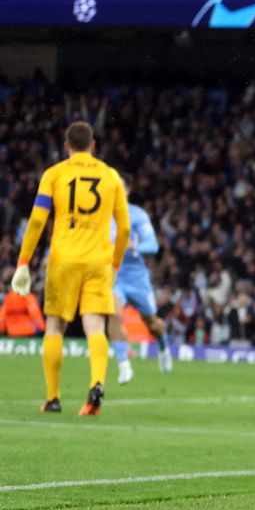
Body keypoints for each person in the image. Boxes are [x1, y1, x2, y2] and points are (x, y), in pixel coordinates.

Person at [10, 121, 130, 416]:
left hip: (63, 259)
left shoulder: (55, 174)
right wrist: (115, 263)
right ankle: (97, 384)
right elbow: (124, 228)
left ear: (66, 146)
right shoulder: (111, 176)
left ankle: (52, 398)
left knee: (55, 326)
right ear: (93, 145)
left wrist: (23, 261)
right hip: (98, 260)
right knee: (95, 326)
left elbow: (37, 221)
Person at [107, 186, 173, 384]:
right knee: (114, 314)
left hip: (137, 278)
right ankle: (124, 365)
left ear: (127, 190)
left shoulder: (137, 214)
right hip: (113, 275)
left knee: (153, 324)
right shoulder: (101, 214)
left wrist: (133, 246)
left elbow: (153, 245)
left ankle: (163, 346)